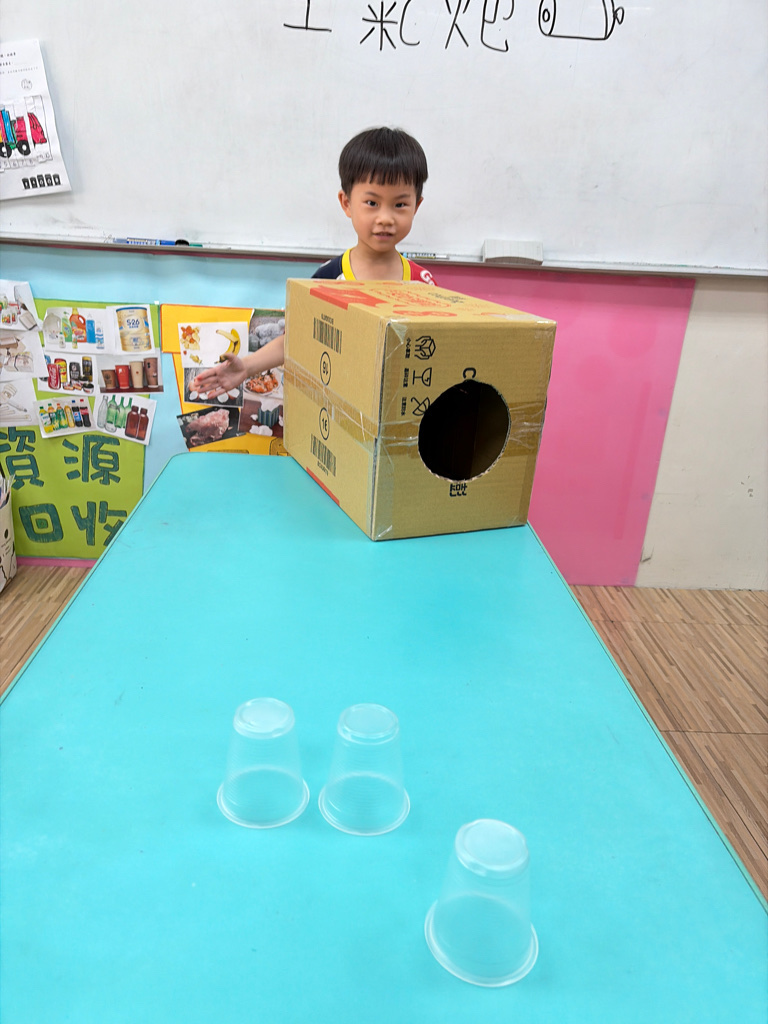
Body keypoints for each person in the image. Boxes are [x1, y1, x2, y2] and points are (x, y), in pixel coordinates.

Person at [190, 127, 434, 400]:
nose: (385, 218)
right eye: (371, 202)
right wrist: (246, 367)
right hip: (339, 409)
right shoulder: (327, 278)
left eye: (400, 205)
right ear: (346, 203)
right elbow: (296, 338)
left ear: (416, 206)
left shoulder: (423, 285)